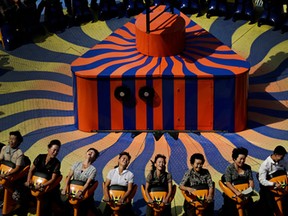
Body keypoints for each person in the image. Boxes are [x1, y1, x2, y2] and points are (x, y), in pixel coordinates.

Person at [25, 139, 63, 216]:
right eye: (54, 150)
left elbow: (53, 179)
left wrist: (43, 185)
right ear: (49, 149)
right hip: (36, 181)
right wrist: (29, 180)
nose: (55, 153)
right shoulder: (40, 157)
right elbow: (31, 170)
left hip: (48, 185)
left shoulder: (57, 163)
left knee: (48, 203)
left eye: (57, 151)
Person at [61, 147, 100, 216]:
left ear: (94, 158)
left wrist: (81, 192)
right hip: (72, 191)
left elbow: (88, 183)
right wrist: (65, 188)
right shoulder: (76, 164)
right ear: (85, 154)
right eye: (89, 151)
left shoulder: (93, 169)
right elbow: (69, 176)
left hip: (84, 193)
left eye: (93, 153)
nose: (90, 153)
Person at [0, 131, 30, 215]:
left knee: (16, 195)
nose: (11, 141)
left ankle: (18, 206)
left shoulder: (19, 153)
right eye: (10, 138)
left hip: (17, 177)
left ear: (18, 141)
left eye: (13, 139)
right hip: (5, 172)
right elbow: (0, 160)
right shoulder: (4, 148)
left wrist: (6, 174)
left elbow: (17, 168)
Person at [221, 147, 254, 216]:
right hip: (233, 194)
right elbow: (228, 183)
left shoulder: (248, 168)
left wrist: (249, 191)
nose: (242, 161)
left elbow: (251, 181)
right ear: (234, 159)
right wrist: (236, 192)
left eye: (244, 159)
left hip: (245, 193)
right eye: (240, 159)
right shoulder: (229, 168)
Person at [258, 145, 288, 216]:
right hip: (271, 187)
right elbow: (262, 180)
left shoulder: (282, 161)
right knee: (272, 205)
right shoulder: (265, 164)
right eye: (281, 156)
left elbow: (287, 168)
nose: (283, 158)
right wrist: (273, 184)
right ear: (276, 155)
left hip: (282, 183)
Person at [103, 151, 135, 216]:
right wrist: (107, 196)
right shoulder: (111, 172)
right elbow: (106, 186)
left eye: (127, 159)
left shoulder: (130, 174)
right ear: (119, 160)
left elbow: (129, 189)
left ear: (128, 162)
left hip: (123, 199)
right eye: (123, 158)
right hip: (111, 199)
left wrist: (123, 198)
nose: (125, 160)